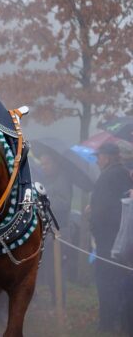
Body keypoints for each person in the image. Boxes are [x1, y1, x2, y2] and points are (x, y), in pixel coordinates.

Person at [87, 142, 133, 332]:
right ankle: (113, 321)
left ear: (107, 156)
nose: (97, 160)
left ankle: (108, 322)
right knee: (112, 282)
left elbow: (113, 208)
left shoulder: (114, 174)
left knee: (108, 282)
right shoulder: (118, 173)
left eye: (99, 156)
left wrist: (94, 213)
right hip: (113, 239)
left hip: (111, 240)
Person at [37, 152, 73, 306]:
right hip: (47, 231)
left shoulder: (63, 180)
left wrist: (45, 200)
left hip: (60, 232)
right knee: (50, 269)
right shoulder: (46, 179)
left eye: (47, 164)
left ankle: (60, 303)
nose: (44, 167)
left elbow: (64, 204)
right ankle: (54, 301)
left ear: (55, 164)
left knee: (57, 270)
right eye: (42, 164)